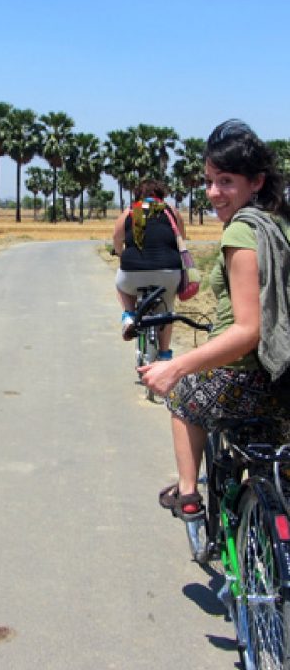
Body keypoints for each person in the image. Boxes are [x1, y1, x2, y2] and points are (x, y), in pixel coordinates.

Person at [138, 120, 290, 519]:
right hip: (282, 378)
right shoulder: (279, 224)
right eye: (209, 181)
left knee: (183, 396)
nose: (213, 193)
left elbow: (247, 330)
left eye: (225, 181)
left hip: (244, 374)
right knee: (268, 466)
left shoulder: (242, 232)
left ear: (255, 182)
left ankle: (187, 493)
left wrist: (178, 367)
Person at [112, 179, 185, 359]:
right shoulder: (171, 211)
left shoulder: (130, 211)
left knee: (121, 286)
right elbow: (181, 237)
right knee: (166, 310)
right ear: (161, 195)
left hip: (133, 270)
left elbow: (116, 238)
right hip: (168, 271)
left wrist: (121, 254)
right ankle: (165, 353)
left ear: (138, 195)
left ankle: (129, 315)